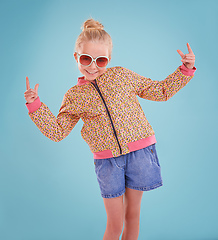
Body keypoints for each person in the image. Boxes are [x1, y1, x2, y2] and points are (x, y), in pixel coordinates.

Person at [24, 18, 196, 240]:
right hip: (108, 163)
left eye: (101, 60)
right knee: (114, 225)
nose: (92, 66)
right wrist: (35, 105)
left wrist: (185, 69)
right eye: (86, 58)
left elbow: (160, 91)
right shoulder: (74, 96)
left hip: (139, 153)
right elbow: (58, 131)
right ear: (76, 57)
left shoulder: (122, 76)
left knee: (132, 216)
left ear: (109, 60)